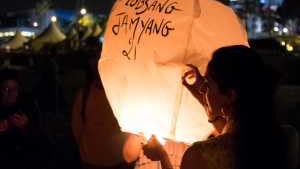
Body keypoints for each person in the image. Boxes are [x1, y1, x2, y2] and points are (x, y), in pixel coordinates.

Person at [142, 45, 299, 169]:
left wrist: (162, 154)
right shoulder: (288, 138)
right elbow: (236, 137)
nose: (203, 89)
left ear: (230, 95)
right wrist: (204, 98)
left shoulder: (201, 155)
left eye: (208, 84)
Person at [71, 46, 141, 169]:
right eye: (99, 60)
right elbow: (77, 129)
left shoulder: (125, 94)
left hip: (118, 161)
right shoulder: (84, 95)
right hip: (90, 162)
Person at [0, 69, 48, 169]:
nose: (10, 94)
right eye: (6, 89)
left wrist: (26, 127)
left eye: (14, 89)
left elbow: (41, 140)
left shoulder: (27, 106)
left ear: (19, 89)